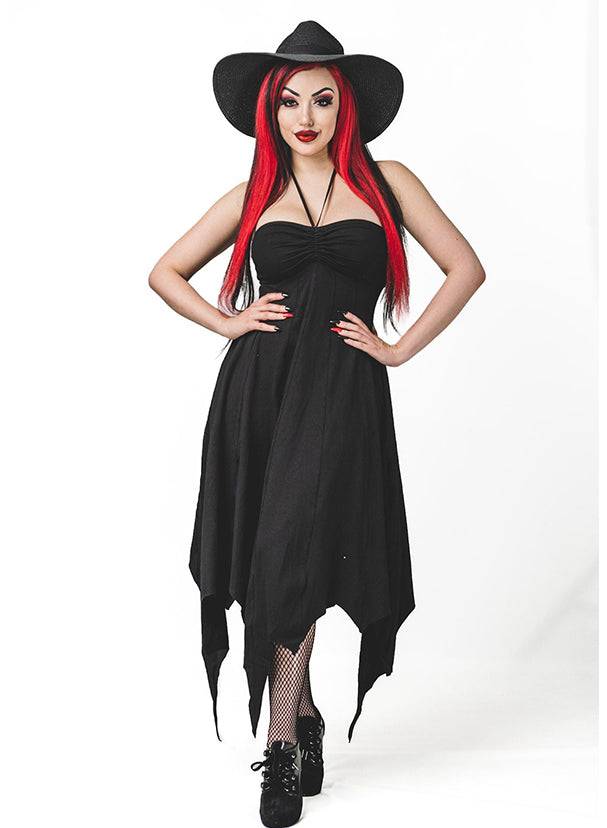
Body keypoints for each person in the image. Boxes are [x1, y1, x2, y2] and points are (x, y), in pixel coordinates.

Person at [148, 20, 486, 828]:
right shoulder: (252, 195)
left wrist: (396, 349)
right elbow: (164, 272)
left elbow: (465, 267)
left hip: (340, 394)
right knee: (276, 560)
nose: (305, 116)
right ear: (269, 110)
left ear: (346, 106)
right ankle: (296, 726)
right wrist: (229, 322)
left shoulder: (388, 182)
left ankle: (282, 743)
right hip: (258, 394)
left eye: (322, 99)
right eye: (289, 100)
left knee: (296, 554)